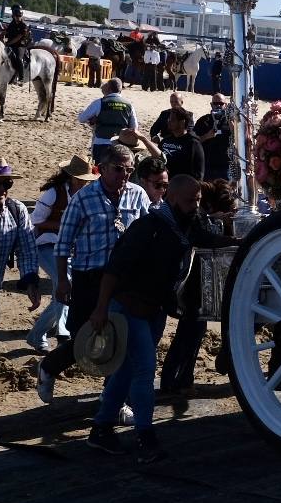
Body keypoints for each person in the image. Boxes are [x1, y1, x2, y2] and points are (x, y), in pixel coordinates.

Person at [85, 175, 237, 462]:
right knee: (144, 370)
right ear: (172, 199)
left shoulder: (187, 224)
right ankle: (146, 437)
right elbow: (113, 270)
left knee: (127, 371)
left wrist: (241, 240)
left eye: (198, 201)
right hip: (128, 306)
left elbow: (209, 240)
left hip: (153, 310)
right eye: (191, 201)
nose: (196, 205)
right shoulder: (148, 227)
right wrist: (101, 308)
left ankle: (101, 429)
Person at [37, 146, 151, 402]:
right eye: (119, 169)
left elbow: (147, 232)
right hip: (90, 276)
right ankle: (48, 367)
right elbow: (63, 242)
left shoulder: (137, 195)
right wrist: (62, 281)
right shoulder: (83, 199)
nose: (124, 175)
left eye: (129, 170)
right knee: (86, 338)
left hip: (125, 279)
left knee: (121, 338)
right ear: (103, 169)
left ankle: (113, 398)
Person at [160, 178, 237, 396]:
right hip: (190, 287)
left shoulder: (190, 212)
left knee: (189, 332)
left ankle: (177, 379)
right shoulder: (192, 215)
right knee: (190, 333)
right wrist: (234, 240)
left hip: (189, 285)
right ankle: (178, 381)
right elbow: (203, 238)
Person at [24, 156, 99, 353]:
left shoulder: (89, 193)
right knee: (64, 282)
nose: (84, 182)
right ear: (71, 177)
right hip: (45, 244)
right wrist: (65, 226)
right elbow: (35, 221)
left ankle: (37, 334)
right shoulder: (52, 194)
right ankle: (63, 332)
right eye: (81, 178)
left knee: (65, 289)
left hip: (71, 247)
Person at [0, 158, 42, 343]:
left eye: (7, 183)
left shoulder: (16, 210)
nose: (2, 189)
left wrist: (31, 282)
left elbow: (26, 249)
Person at [78, 79, 138, 165]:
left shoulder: (99, 102)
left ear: (108, 88)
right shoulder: (129, 105)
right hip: (121, 145)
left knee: (99, 171)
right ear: (120, 90)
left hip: (101, 142)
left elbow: (81, 119)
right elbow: (134, 128)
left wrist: (91, 120)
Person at [194, 93, 232, 183]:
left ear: (225, 105)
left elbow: (238, 142)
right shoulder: (203, 120)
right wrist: (207, 136)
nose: (218, 106)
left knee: (224, 194)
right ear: (211, 104)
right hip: (207, 165)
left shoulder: (231, 121)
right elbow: (194, 141)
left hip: (225, 166)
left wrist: (234, 129)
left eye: (221, 103)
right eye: (215, 103)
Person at [159, 108, 205, 180]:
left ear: (182, 122)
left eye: (172, 119)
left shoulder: (193, 143)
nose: (169, 121)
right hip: (165, 185)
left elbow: (198, 173)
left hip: (183, 185)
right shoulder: (165, 141)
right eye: (169, 119)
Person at [3, 5, 30, 86]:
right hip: (11, 44)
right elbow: (7, 33)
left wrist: (8, 43)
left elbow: (18, 38)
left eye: (20, 16)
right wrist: (4, 37)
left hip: (20, 46)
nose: (18, 17)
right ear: (13, 16)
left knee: (18, 58)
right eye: (17, 16)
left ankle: (21, 78)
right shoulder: (12, 23)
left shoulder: (23, 25)